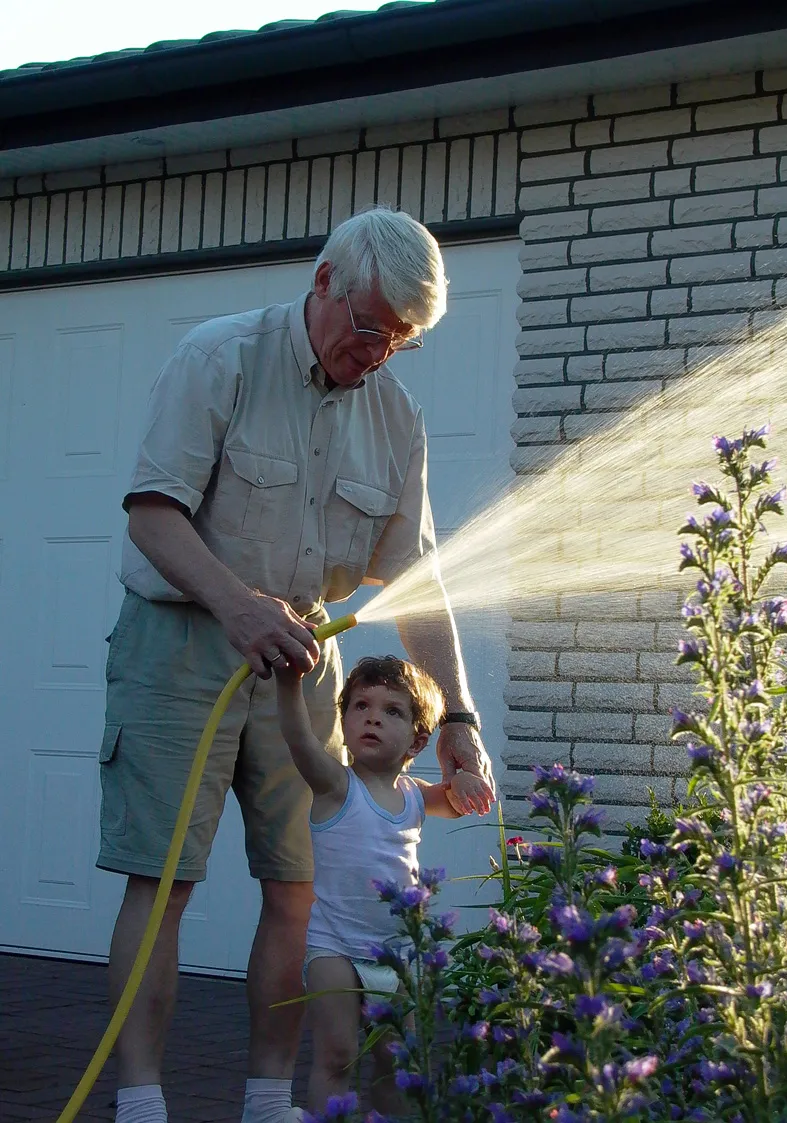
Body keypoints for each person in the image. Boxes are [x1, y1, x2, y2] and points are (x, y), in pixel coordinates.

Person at [97, 206, 495, 1123]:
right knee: (164, 881)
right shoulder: (219, 359)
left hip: (305, 662)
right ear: (324, 281)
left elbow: (416, 581)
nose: (380, 354)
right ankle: (142, 1100)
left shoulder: (397, 416)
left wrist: (461, 724)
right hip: (181, 646)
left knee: (298, 886)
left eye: (402, 340)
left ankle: (271, 1097)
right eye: (371, 327)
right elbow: (152, 513)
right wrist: (234, 603)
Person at [275, 654, 491, 1118]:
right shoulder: (336, 785)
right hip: (336, 949)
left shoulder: (414, 794)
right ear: (345, 721)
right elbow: (298, 740)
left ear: (417, 739)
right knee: (335, 1057)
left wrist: (467, 775)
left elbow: (454, 801)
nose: (372, 716)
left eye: (392, 710)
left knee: (396, 1062)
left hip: (398, 953)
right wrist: (289, 682)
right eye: (360, 706)